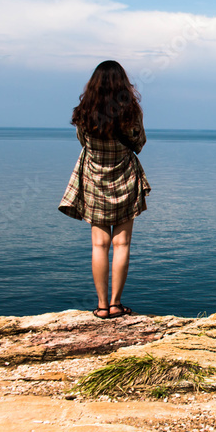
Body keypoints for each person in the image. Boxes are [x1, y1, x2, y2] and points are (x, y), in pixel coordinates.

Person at [58, 60, 151, 319]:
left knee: (99, 245)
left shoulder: (84, 112)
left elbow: (83, 142)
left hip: (94, 179)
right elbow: (139, 143)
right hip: (124, 177)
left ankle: (100, 306)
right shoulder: (131, 111)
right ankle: (115, 304)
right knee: (122, 243)